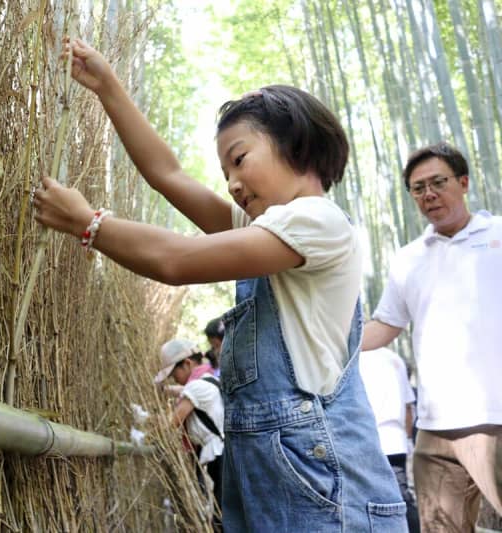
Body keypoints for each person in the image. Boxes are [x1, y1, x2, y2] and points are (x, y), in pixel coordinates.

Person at [33, 38, 406, 531]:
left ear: (294, 143)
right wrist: (108, 88)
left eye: (240, 158)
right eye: (226, 170)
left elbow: (175, 260)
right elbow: (167, 174)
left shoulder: (315, 221)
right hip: (278, 473)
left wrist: (89, 224)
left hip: (324, 483)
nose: (231, 181)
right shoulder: (270, 227)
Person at [362, 142, 502, 532]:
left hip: (496, 417)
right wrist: (329, 343)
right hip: (435, 431)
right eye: (418, 188)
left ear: (464, 182)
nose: (429, 195)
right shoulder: (408, 258)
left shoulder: (498, 236)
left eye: (438, 183)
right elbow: (386, 325)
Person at [155, 339, 224, 531]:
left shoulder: (195, 388)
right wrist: (165, 390)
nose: (174, 379)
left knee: (220, 517)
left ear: (187, 363)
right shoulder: (209, 379)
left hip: (219, 458)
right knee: (223, 512)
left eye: (174, 373)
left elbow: (171, 424)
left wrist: (148, 420)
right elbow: (181, 390)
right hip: (224, 454)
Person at [359, 347, 420, 532]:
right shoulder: (394, 358)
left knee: (364, 500)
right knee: (401, 497)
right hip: (394, 440)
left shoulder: (352, 356)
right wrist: (408, 438)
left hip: (366, 440)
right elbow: (408, 407)